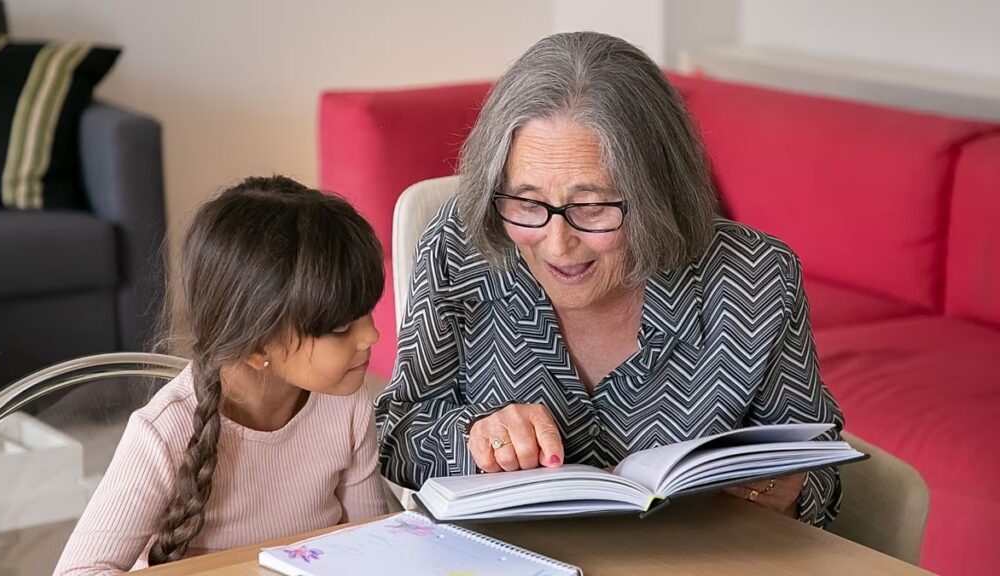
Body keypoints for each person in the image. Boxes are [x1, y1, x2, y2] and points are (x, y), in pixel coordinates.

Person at [376, 32, 845, 526]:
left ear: (657, 194)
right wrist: (474, 437)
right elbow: (397, 432)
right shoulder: (461, 246)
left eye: (593, 207)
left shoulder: (755, 276)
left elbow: (819, 464)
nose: (557, 245)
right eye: (528, 204)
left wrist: (784, 489)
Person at [55, 176, 387, 574]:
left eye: (367, 312)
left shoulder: (347, 403)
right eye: (340, 328)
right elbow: (79, 570)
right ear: (257, 347)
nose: (372, 335)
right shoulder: (164, 433)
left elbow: (374, 548)